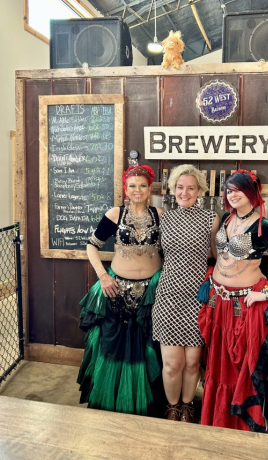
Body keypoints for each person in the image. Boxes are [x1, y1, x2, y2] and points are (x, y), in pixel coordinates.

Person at [197, 169, 268, 432]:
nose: (232, 194)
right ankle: (217, 420)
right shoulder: (226, 219)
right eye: (228, 190)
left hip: (247, 306)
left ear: (252, 193)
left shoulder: (263, 226)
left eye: (238, 190)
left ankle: (242, 426)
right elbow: (220, 255)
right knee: (219, 365)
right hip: (219, 302)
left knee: (242, 366)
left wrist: (266, 293)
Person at [77, 164, 164, 416]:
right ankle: (111, 403)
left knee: (149, 346)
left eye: (143, 186)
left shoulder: (160, 215)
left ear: (150, 189)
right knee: (112, 344)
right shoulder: (115, 214)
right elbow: (92, 245)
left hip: (152, 292)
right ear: (125, 189)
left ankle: (149, 405)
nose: (138, 190)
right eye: (132, 186)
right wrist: (103, 276)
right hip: (115, 289)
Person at [152, 164, 220, 422]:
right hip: (168, 295)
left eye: (191, 188)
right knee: (172, 363)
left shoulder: (210, 219)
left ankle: (188, 406)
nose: (185, 192)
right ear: (173, 189)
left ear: (200, 190)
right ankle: (172, 408)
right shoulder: (164, 218)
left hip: (198, 297)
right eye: (180, 187)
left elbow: (217, 256)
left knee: (193, 363)